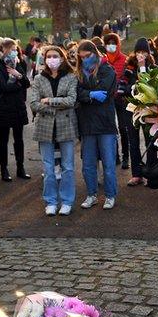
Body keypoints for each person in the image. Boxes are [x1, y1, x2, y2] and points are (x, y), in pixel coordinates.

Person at [29, 46, 78, 216]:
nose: (52, 59)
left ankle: (67, 201)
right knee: (48, 168)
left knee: (68, 167)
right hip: (45, 127)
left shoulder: (71, 77)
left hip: (66, 127)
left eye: (55, 56)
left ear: (62, 58)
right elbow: (34, 103)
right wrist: (55, 108)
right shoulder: (38, 79)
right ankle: (50, 201)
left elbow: (71, 100)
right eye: (48, 56)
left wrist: (49, 100)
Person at [76, 40, 119, 210]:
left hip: (105, 123)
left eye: (87, 56)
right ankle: (91, 194)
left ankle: (110, 195)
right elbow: (77, 93)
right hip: (87, 124)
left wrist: (86, 94)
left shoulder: (107, 70)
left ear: (94, 53)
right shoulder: (79, 73)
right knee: (88, 165)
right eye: (82, 58)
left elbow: (105, 93)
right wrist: (90, 94)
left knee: (108, 164)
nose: (85, 60)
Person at [0, 37, 31, 182]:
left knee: (19, 138)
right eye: (12, 50)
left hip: (17, 106)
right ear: (2, 50)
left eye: (15, 50)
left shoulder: (16, 64)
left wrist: (17, 75)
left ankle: (20, 167)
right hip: (3, 107)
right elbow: (3, 87)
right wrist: (18, 84)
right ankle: (4, 169)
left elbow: (26, 82)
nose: (15, 52)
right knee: (3, 139)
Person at [125, 37, 157, 187]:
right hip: (132, 109)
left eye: (144, 52)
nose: (141, 55)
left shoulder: (153, 67)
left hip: (148, 110)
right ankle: (137, 174)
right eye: (138, 51)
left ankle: (151, 173)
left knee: (150, 141)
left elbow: (150, 85)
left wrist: (143, 67)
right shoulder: (129, 67)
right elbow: (125, 87)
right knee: (133, 142)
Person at [102, 32, 130, 169]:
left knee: (123, 128)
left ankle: (126, 156)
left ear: (118, 44)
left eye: (114, 43)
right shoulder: (103, 61)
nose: (111, 46)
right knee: (111, 128)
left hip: (122, 99)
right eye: (108, 43)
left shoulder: (125, 60)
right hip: (108, 99)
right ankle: (115, 155)